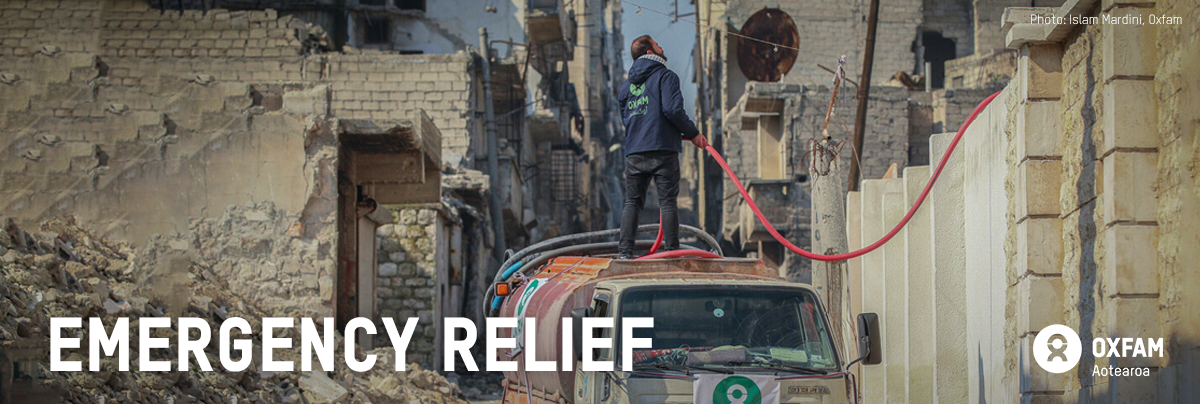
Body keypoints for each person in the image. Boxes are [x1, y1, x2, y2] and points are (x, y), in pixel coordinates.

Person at [616, 35, 708, 259]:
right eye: (658, 44)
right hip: (662, 148)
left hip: (634, 152)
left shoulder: (626, 88)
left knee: (632, 202)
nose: (662, 46)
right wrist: (694, 134)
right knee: (667, 202)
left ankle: (625, 253)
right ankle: (671, 252)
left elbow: (625, 119)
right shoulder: (666, 77)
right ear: (649, 52)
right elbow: (673, 111)